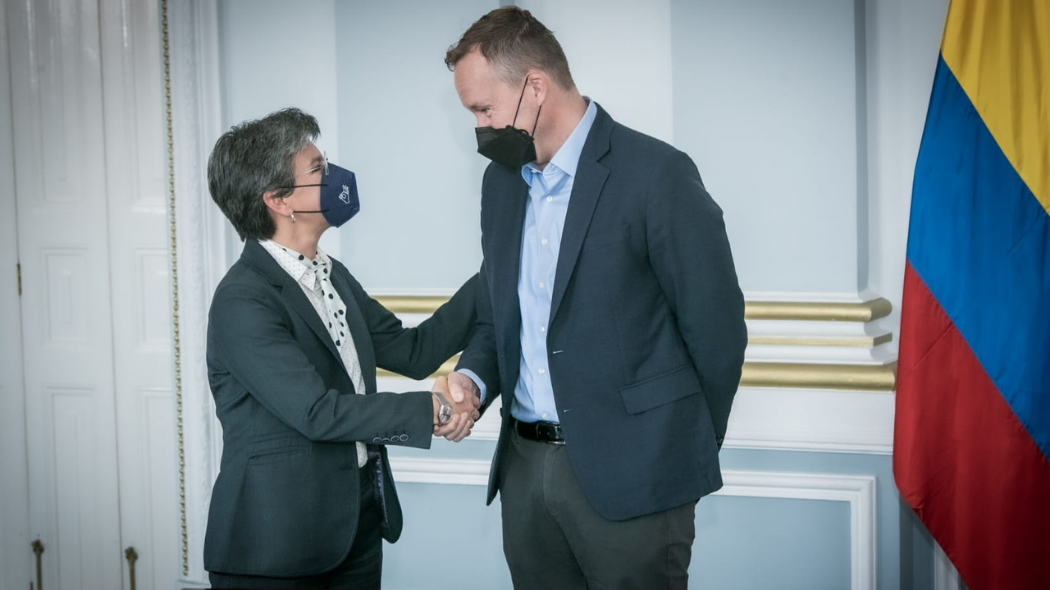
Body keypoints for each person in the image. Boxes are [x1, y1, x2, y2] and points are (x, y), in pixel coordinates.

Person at [443, 7, 748, 589]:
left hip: (639, 479)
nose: (478, 127)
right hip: (525, 473)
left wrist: (674, 449)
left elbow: (717, 330)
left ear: (535, 86)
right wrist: (474, 379)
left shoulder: (656, 174)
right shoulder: (500, 184)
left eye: (483, 109)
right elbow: (500, 313)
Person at [202, 107, 478, 589]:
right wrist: (430, 411)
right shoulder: (243, 300)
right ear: (279, 201)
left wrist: (498, 273)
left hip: (356, 526)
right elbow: (316, 412)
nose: (335, 177)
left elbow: (413, 353)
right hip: (276, 546)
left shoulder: (332, 275)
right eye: (318, 170)